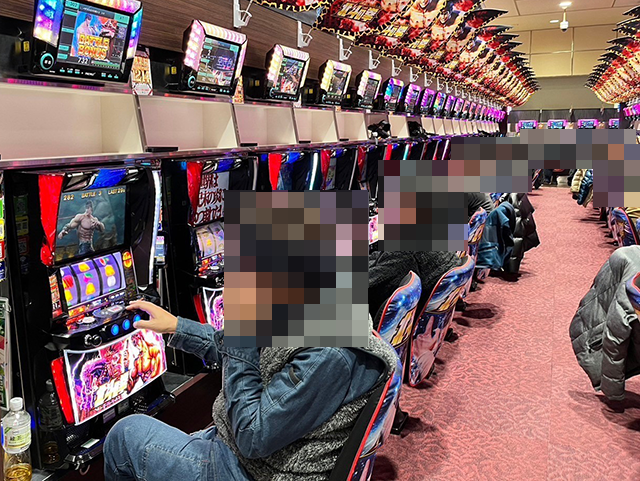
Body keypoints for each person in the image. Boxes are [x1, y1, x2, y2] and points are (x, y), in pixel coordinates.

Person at [104, 300, 398, 481]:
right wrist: (176, 327)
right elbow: (243, 351)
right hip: (253, 450)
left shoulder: (330, 353)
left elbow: (252, 437)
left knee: (125, 435)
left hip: (255, 470)